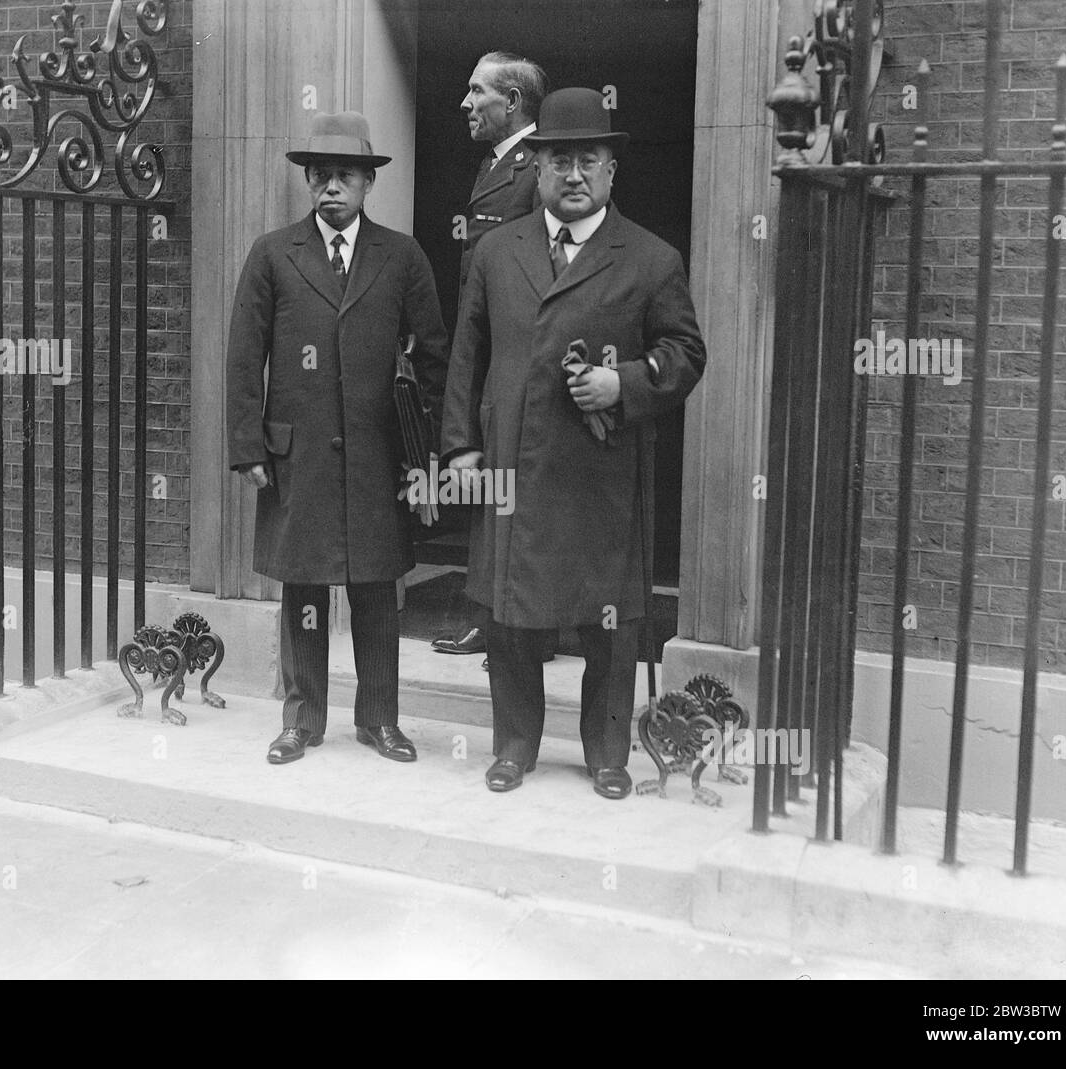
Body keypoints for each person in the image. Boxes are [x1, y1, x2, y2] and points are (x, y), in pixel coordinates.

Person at [440, 88, 707, 799]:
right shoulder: (497, 249)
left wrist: (624, 383)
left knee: (609, 625)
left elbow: (685, 352)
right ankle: (514, 745)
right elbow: (467, 352)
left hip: (603, 469)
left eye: (589, 158)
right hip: (511, 465)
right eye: (559, 159)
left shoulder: (651, 258)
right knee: (510, 616)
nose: (574, 174)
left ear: (611, 170)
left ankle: (606, 752)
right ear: (537, 167)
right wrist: (460, 446)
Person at [227, 112, 449, 766]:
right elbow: (245, 355)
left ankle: (379, 719)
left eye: (344, 176)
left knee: (379, 587)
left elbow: (433, 354)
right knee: (304, 587)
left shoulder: (402, 255)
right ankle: (302, 719)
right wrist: (249, 448)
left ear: (367, 183)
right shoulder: (273, 253)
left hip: (381, 456)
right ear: (308, 181)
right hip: (297, 455)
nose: (331, 187)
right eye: (320, 175)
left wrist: (427, 453)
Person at [432, 50, 550, 666]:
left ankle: (521, 624)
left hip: (519, 355)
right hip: (488, 346)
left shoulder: (538, 169)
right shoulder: (498, 165)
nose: (465, 103)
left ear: (514, 102)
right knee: (492, 492)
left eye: (477, 92)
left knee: (517, 497)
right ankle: (494, 616)